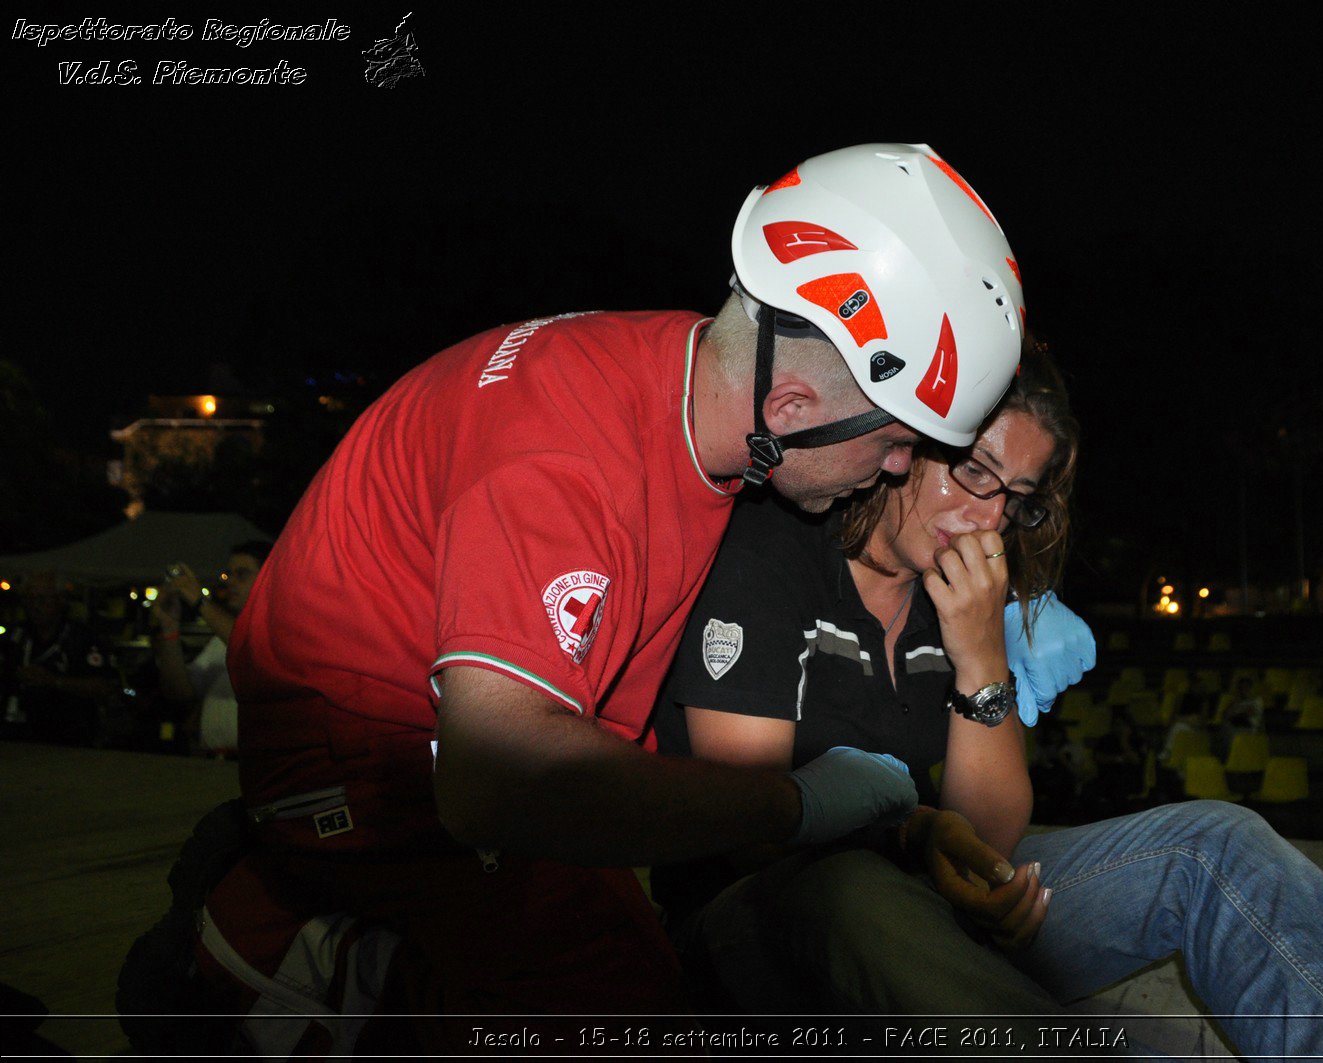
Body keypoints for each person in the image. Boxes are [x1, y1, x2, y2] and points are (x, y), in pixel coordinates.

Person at [193, 143, 1054, 1048]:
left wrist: (901, 824)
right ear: (793, 405)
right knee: (627, 1002)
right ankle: (332, 963)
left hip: (462, 756)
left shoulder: (687, 386)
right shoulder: (569, 460)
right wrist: (800, 804)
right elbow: (496, 781)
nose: (897, 468)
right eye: (896, 440)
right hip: (363, 773)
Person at [652, 355, 1323, 1060]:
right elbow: (750, 828)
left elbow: (992, 835)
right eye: (974, 470)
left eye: (1016, 496)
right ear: (908, 443)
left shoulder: (960, 598)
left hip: (921, 897)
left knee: (1217, 845)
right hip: (755, 927)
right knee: (848, 885)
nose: (990, 515)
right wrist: (917, 836)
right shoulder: (774, 550)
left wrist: (980, 657)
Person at [150, 541, 271, 756]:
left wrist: (199, 600)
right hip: (213, 762)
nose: (231, 582)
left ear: (270, 577)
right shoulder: (220, 640)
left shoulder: (283, 631)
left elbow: (251, 647)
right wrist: (169, 630)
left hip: (253, 765)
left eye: (241, 574)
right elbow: (180, 692)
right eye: (228, 574)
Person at [1, 571, 119, 745]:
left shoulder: (82, 637)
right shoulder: (15, 635)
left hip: (70, 737)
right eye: (29, 599)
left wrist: (53, 681)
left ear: (61, 600)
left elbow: (104, 686)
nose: (35, 606)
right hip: (19, 735)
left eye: (42, 599)